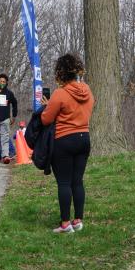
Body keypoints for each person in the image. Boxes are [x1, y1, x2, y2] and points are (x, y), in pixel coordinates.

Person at [41, 53, 94, 234]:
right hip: (84, 138)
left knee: (64, 183)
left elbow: (47, 119)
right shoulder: (87, 90)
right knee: (77, 182)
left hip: (64, 140)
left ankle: (65, 224)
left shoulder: (60, 93)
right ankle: (78, 220)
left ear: (61, 72)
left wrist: (46, 107)